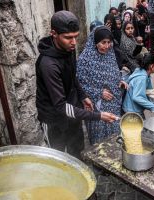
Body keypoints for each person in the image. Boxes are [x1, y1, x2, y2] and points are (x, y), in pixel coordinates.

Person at [35, 11, 118, 159]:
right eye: (68, 37)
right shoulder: (48, 65)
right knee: (58, 157)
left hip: (73, 113)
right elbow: (60, 106)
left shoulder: (69, 49)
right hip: (53, 118)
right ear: (54, 33)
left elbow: (72, 77)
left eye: (76, 36)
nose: (74, 42)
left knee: (77, 152)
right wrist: (98, 115)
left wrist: (83, 95)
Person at [77, 26, 127, 144]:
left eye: (109, 42)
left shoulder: (110, 55)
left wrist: (120, 81)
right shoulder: (85, 59)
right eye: (103, 42)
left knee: (114, 132)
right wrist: (99, 93)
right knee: (99, 138)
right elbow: (79, 85)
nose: (107, 46)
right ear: (95, 42)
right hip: (96, 105)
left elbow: (114, 73)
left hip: (112, 103)